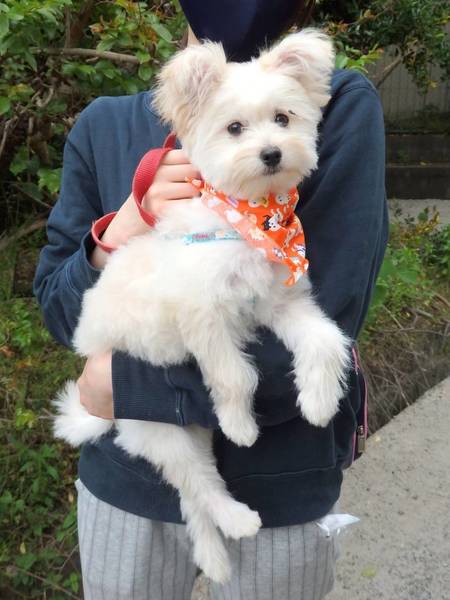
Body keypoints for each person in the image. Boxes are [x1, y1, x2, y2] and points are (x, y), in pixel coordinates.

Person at [34, 0, 388, 598]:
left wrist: (126, 386)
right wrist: (120, 229)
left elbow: (334, 305)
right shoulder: (104, 126)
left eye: (280, 119)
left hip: (282, 487)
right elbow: (62, 312)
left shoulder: (337, 103)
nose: (266, 140)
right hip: (127, 485)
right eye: (237, 128)